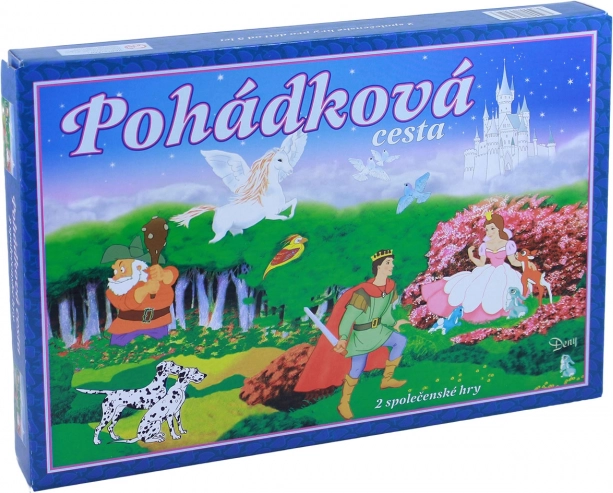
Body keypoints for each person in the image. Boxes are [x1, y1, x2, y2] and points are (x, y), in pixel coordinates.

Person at [294, 249, 407, 420]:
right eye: (388, 263)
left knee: (400, 341)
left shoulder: (389, 287)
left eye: (392, 262)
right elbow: (348, 317)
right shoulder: (364, 292)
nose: (392, 265)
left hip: (379, 330)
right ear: (378, 267)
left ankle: (387, 380)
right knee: (356, 368)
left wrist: (393, 323)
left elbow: (385, 313)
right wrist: (343, 339)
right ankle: (344, 403)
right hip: (362, 335)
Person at [422, 211, 523, 324]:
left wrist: (525, 264)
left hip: (503, 271)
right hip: (488, 270)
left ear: (499, 228)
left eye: (492, 229)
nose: (489, 232)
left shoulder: (507, 244)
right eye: (487, 229)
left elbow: (513, 261)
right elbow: (481, 263)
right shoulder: (485, 245)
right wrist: (471, 255)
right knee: (472, 288)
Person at [101, 236, 178, 346]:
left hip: (158, 325)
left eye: (122, 269)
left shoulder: (152, 274)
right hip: (126, 329)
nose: (117, 276)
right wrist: (145, 289)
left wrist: (164, 274)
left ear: (138, 267)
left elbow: (173, 273)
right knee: (119, 349)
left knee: (160, 348)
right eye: (116, 271)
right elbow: (125, 303)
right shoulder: (114, 289)